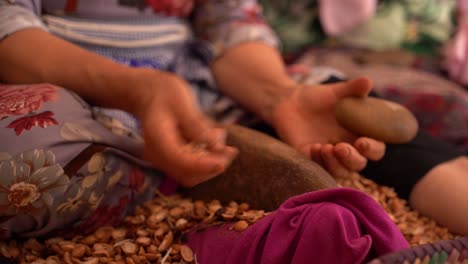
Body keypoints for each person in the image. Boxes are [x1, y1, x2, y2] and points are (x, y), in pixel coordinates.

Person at [0, 0, 457, 262]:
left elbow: (233, 28)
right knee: (20, 158)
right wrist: (139, 91)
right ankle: (215, 235)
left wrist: (279, 97)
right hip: (65, 97)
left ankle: (218, 200)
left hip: (206, 101)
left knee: (354, 110)